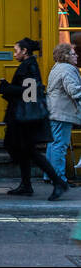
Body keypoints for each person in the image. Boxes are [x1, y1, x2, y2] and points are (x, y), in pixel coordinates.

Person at [0, 37, 68, 201]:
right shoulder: (28, 65)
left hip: (25, 120)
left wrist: (7, 88)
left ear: (24, 51)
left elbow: (29, 93)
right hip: (22, 118)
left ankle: (58, 182)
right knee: (23, 150)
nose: (14, 54)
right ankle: (26, 185)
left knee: (29, 151)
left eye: (16, 50)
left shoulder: (29, 65)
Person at [47, 41, 81, 184]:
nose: (77, 55)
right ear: (66, 56)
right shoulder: (68, 69)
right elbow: (74, 90)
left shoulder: (57, 68)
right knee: (60, 146)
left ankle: (49, 176)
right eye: (73, 53)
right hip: (63, 113)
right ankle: (59, 179)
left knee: (53, 144)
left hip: (54, 111)